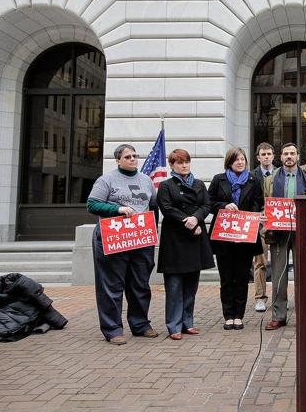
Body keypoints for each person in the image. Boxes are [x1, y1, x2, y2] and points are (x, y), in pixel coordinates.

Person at [87, 144, 158, 345]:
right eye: (127, 156)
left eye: (135, 155)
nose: (133, 159)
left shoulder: (146, 180)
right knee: (112, 285)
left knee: (140, 284)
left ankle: (140, 324)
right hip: (113, 237)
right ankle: (112, 329)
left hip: (140, 238)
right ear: (118, 160)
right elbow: (92, 204)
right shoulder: (106, 180)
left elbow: (153, 206)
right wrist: (118, 208)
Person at [157, 149, 214, 340]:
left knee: (191, 283)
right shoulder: (166, 186)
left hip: (195, 238)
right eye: (179, 162)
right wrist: (188, 222)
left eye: (186, 162)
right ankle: (173, 325)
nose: (184, 165)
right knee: (174, 285)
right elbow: (166, 208)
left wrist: (196, 219)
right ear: (172, 165)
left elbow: (206, 205)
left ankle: (187, 322)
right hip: (175, 239)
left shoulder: (198, 184)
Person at [209, 148, 264, 331]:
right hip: (224, 236)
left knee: (241, 277)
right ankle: (228, 315)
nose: (240, 162)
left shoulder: (254, 179)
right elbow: (209, 203)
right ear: (229, 162)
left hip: (245, 236)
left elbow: (259, 202)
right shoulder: (219, 179)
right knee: (226, 277)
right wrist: (224, 206)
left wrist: (251, 214)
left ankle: (238, 315)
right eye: (236, 159)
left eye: (242, 159)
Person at [263, 143, 306, 330]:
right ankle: (279, 315)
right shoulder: (271, 179)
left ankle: (305, 315)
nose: (289, 156)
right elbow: (265, 202)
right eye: (286, 154)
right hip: (279, 232)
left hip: (302, 231)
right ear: (281, 157)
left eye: (292, 153)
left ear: (298, 156)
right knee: (278, 275)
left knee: (303, 274)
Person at [251, 142, 276, 313]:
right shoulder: (251, 176)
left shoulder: (281, 173)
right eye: (263, 154)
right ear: (258, 157)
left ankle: (278, 298)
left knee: (279, 263)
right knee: (260, 262)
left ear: (274, 156)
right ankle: (260, 298)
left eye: (269, 154)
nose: (266, 157)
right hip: (259, 223)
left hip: (277, 223)